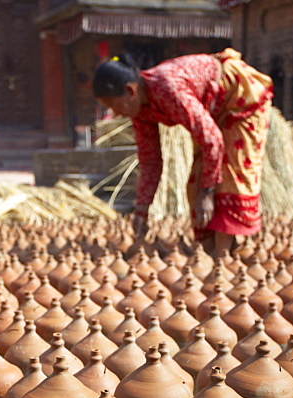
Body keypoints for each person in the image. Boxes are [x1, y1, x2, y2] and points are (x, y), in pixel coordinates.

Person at [93, 50, 274, 255]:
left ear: (130, 91)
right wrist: (141, 211)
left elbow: (212, 140)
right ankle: (210, 252)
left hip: (240, 98)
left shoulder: (167, 89)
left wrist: (207, 193)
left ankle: (222, 257)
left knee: (230, 173)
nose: (115, 114)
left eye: (114, 106)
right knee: (196, 182)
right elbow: (151, 161)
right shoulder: (139, 111)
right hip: (212, 112)